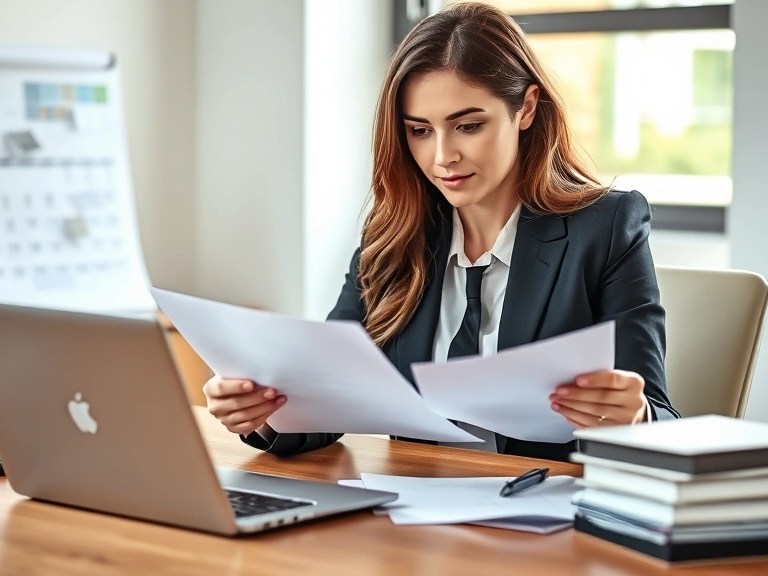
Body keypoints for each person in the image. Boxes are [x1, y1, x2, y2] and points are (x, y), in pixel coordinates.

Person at [203, 2, 679, 462]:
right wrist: (261, 414)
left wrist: (633, 417)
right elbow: (325, 399)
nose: (442, 156)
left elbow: (661, 418)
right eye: (420, 130)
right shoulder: (393, 238)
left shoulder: (606, 229)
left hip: (543, 518)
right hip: (409, 517)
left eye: (468, 126)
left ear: (527, 108)